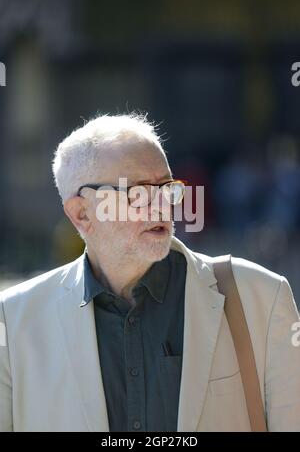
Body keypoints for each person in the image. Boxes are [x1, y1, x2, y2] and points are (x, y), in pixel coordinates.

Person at [0, 113, 299, 432]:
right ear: (82, 213)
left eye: (168, 188)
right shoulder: (12, 320)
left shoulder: (263, 298)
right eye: (139, 192)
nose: (162, 206)